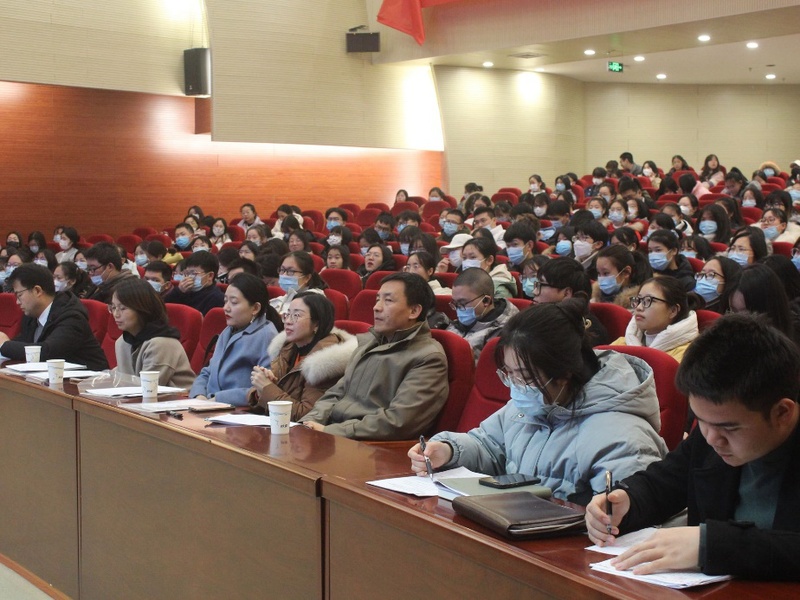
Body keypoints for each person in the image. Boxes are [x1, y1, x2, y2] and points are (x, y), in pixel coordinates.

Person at [586, 313, 800, 580]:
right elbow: (665, 482)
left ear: (782, 413)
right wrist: (627, 501)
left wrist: (712, 544)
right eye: (701, 420)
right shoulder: (713, 430)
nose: (711, 438)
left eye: (729, 428)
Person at [409, 299, 666, 504]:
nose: (516, 385)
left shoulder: (624, 438)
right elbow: (488, 445)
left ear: (564, 373)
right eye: (509, 373)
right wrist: (448, 450)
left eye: (524, 376)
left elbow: (616, 520)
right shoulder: (538, 401)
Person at [300, 272, 448, 440]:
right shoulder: (368, 343)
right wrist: (310, 423)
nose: (376, 307)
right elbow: (336, 392)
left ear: (414, 311)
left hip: (368, 444)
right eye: (378, 299)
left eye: (388, 300)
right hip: (334, 434)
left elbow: (399, 422)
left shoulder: (428, 357)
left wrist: (329, 431)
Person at [247, 292, 358, 420]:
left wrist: (268, 388)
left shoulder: (325, 363)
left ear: (317, 324)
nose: (288, 321)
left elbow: (306, 415)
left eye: (296, 315)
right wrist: (261, 390)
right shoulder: (287, 348)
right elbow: (269, 399)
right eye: (287, 314)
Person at [190, 273, 278, 405]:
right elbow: (208, 371)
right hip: (209, 405)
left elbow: (264, 388)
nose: (226, 308)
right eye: (225, 301)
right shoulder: (228, 331)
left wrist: (218, 399)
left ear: (255, 308)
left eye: (234, 302)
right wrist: (199, 395)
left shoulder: (267, 336)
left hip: (238, 410)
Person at [0, 264, 108, 370]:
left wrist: (5, 345)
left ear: (37, 291)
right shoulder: (32, 314)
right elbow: (24, 344)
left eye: (19, 295)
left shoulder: (72, 316)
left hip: (90, 378)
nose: (17, 302)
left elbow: (49, 352)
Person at [111, 278, 195, 388]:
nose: (116, 314)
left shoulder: (162, 344)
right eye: (113, 307)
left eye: (123, 308)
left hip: (177, 398)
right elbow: (124, 381)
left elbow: (148, 389)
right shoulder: (122, 342)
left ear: (142, 309)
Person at [613, 277, 699, 362]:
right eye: (639, 300)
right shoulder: (623, 343)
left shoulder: (689, 355)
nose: (639, 307)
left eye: (648, 300)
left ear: (673, 310)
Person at [446, 267, 518, 362]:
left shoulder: (505, 333)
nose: (458, 309)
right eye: (455, 303)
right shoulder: (458, 324)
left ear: (486, 301)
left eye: (462, 303)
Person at [533, 258, 610, 345]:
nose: (534, 292)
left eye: (541, 285)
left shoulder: (588, 333)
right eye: (536, 285)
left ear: (566, 293)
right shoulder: (537, 318)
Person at [163, 251, 224, 315]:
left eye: (193, 273)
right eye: (187, 273)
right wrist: (178, 291)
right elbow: (165, 310)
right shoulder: (184, 291)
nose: (189, 277)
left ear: (210, 276)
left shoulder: (217, 298)